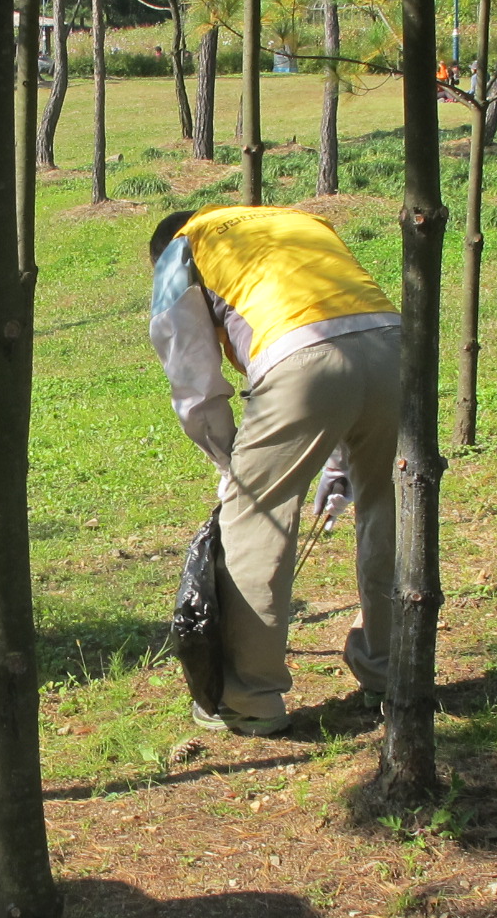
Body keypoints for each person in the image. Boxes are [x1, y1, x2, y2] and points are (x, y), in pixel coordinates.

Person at [147, 205, 402, 737]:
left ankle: (248, 698)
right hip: (395, 344)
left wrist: (232, 466)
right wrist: (338, 461)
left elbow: (194, 380)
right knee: (387, 507)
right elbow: (338, 331)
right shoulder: (294, 220)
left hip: (298, 359)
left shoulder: (182, 249)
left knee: (254, 521)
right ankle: (392, 668)